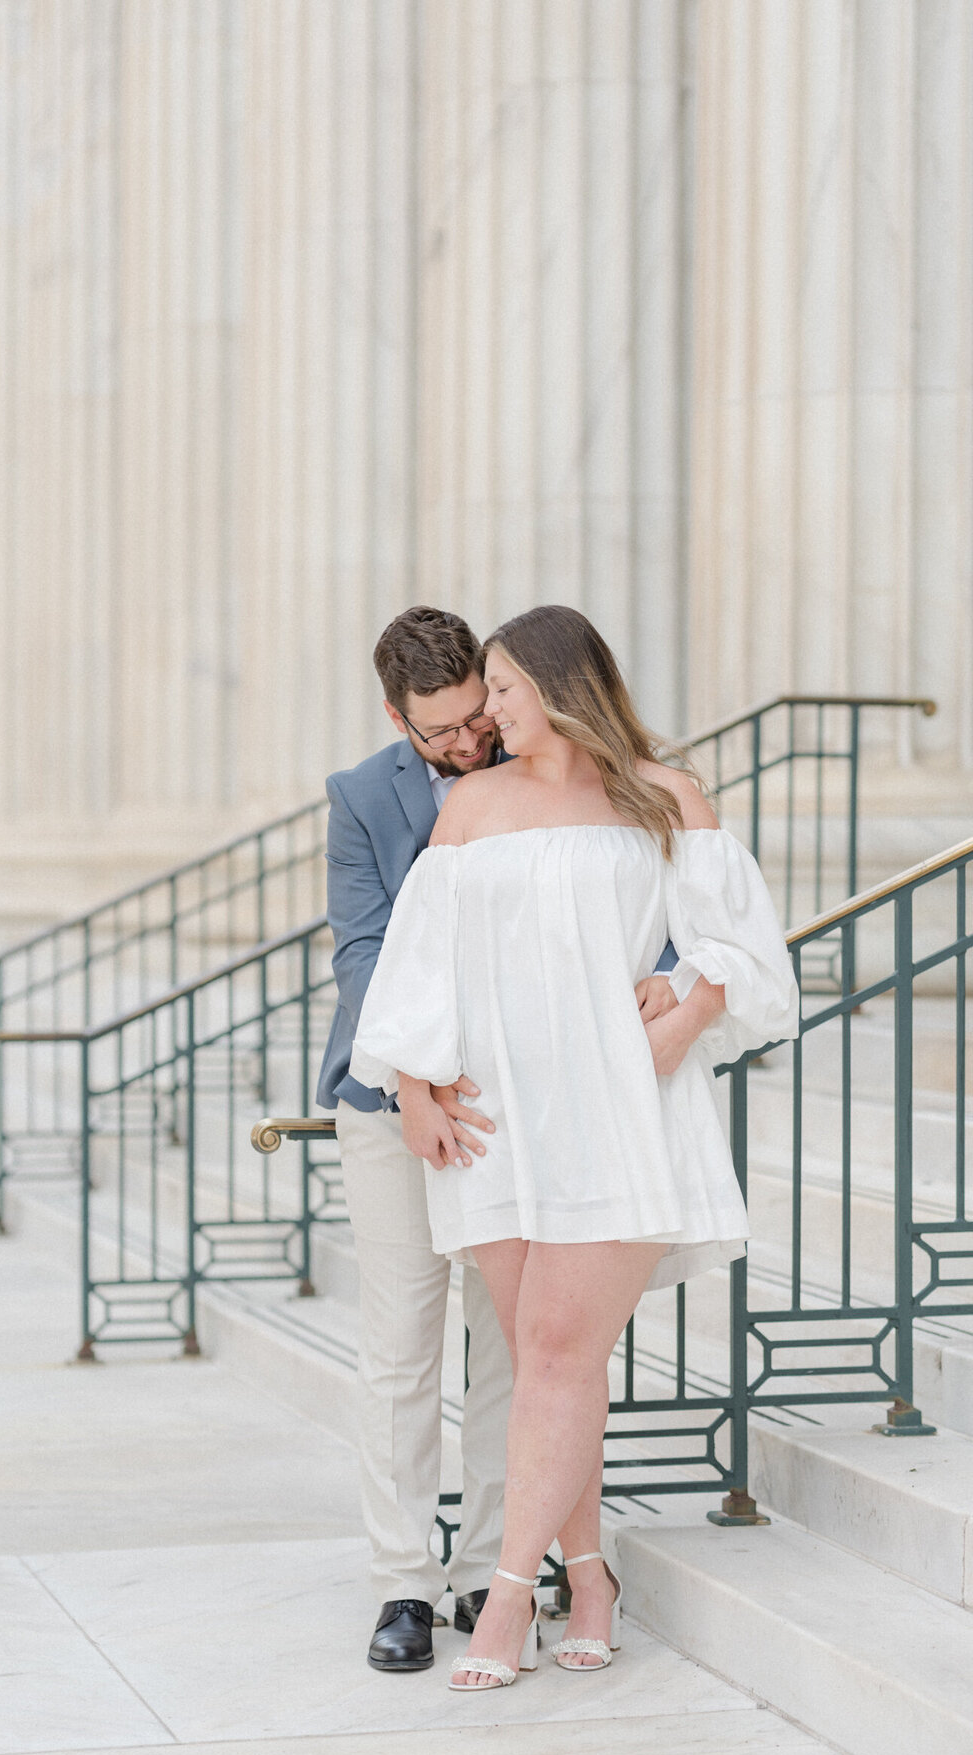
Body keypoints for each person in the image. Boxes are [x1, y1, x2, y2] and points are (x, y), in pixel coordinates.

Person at [350, 605, 800, 1690]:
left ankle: (509, 1601)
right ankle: (588, 1574)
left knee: (554, 1356)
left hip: (612, 1115)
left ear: (559, 686)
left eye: (501, 690)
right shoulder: (473, 806)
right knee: (560, 1366)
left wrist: (689, 1004)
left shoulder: (662, 796)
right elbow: (420, 964)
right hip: (498, 1125)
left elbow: (747, 950)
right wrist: (412, 1087)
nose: (487, 713)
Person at [318, 606, 680, 1675]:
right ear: (398, 718)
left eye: (480, 713)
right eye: (442, 733)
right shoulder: (360, 800)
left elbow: (619, 902)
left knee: (517, 1348)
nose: (469, 739)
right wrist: (419, 1084)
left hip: (525, 1112)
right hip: (401, 1109)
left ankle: (489, 1562)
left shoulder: (553, 772)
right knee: (402, 1351)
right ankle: (401, 1584)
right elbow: (372, 952)